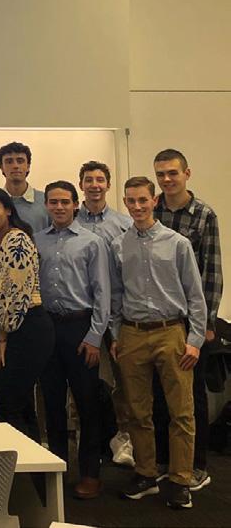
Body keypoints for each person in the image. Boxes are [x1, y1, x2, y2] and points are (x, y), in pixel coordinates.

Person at [112, 176, 206, 510]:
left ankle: (180, 480)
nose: (137, 206)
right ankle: (146, 474)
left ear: (154, 201)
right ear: (125, 203)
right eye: (131, 201)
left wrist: (195, 340)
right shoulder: (119, 245)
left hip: (171, 332)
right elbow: (116, 294)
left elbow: (195, 295)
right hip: (132, 333)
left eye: (143, 200)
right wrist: (115, 335)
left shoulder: (177, 243)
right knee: (137, 411)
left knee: (181, 411)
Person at [35, 181, 111, 499]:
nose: (59, 207)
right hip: (47, 328)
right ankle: (58, 469)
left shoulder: (92, 242)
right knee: (52, 403)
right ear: (46, 205)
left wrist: (94, 337)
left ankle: (90, 473)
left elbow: (103, 293)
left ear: (75, 204)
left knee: (87, 403)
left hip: (80, 328)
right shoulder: (37, 240)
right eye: (53, 202)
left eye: (65, 202)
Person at [152, 148, 221, 492]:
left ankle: (197, 466)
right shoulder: (152, 210)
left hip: (189, 323)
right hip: (158, 322)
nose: (167, 179)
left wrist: (204, 326)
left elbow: (212, 273)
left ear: (186, 174)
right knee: (160, 396)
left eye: (172, 173)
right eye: (161, 174)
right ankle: (166, 462)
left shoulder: (204, 215)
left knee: (191, 399)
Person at [0, 187, 54, 442]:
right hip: (12, 328)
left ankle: (21, 460)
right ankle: (34, 463)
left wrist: (3, 336)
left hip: (25, 326)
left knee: (9, 406)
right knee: (20, 405)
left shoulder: (16, 240)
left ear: (8, 210)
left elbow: (16, 294)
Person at [76, 160, 134, 467]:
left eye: (100, 179)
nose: (94, 185)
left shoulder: (124, 224)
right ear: (81, 185)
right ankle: (85, 442)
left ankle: (123, 439)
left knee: (123, 382)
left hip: (117, 314)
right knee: (82, 385)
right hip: (82, 313)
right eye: (89, 180)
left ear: (108, 185)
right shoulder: (70, 221)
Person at [0, 142, 50, 234]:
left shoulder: (46, 201)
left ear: (28, 166)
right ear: (1, 167)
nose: (15, 166)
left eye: (20, 161)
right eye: (9, 162)